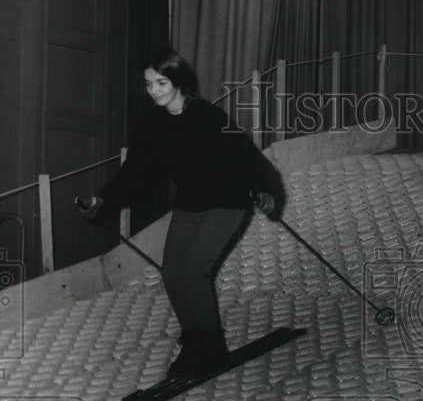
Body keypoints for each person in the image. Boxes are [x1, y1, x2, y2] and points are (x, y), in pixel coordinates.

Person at [78, 48, 283, 380]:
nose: (154, 91)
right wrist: (103, 201)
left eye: (161, 82)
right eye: (149, 84)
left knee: (192, 271)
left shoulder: (209, 117)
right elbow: (135, 171)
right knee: (171, 272)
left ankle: (213, 348)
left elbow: (248, 156)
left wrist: (267, 191)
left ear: (179, 81)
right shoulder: (153, 123)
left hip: (227, 203)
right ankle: (195, 340)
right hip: (190, 204)